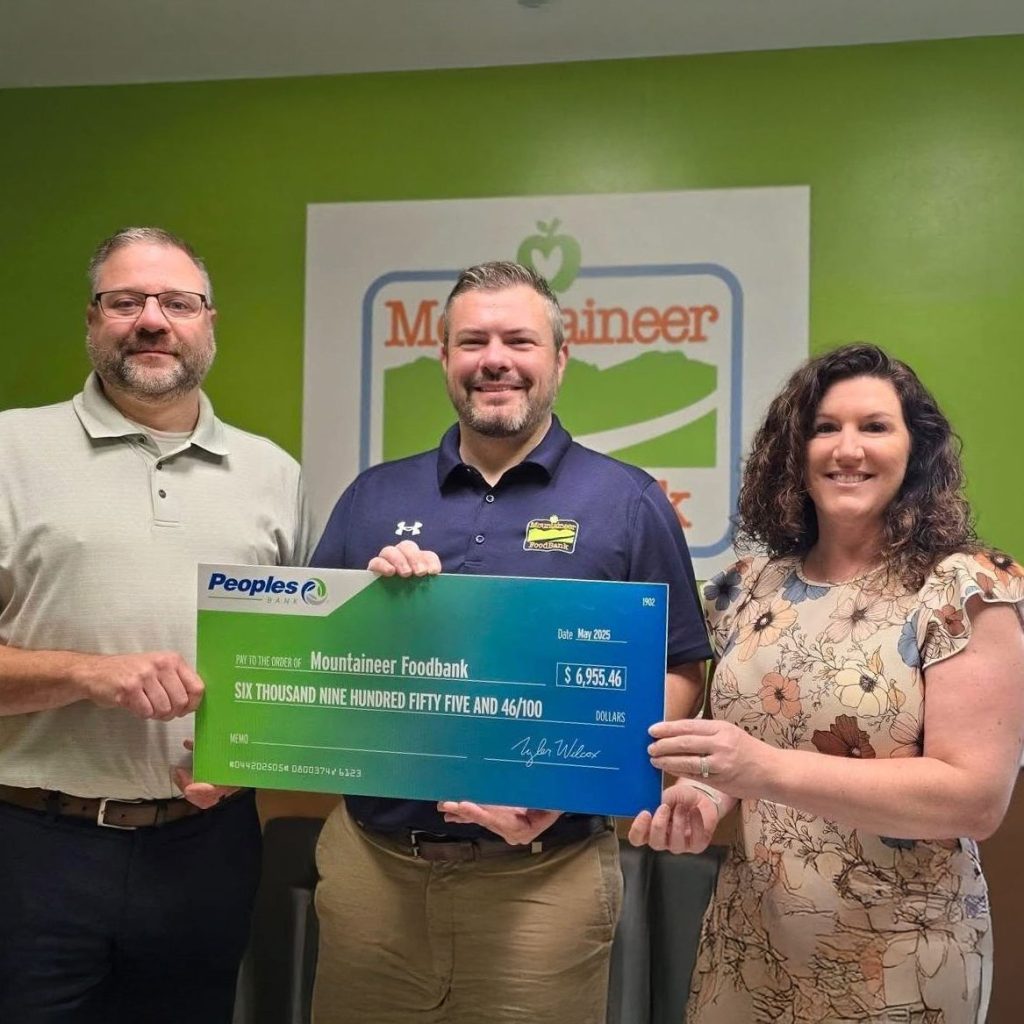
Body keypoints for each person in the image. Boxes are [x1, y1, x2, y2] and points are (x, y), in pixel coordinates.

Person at [310, 260, 711, 1024]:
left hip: (544, 885)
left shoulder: (627, 501)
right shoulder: (373, 497)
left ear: (560, 358)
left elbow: (680, 669)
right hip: (374, 873)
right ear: (444, 359)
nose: (494, 359)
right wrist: (369, 609)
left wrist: (570, 785)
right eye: (473, 342)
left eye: (519, 341)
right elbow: (314, 660)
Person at [629, 343, 1024, 1022]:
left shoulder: (965, 588)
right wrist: (703, 796)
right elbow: (740, 751)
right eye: (824, 428)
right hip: (748, 945)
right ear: (795, 451)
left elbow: (973, 800)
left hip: (901, 958)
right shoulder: (746, 586)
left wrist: (762, 770)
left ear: (914, 451)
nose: (848, 449)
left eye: (875, 427)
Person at [0, 227, 310, 1023]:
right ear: (91, 319)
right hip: (32, 845)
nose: (151, 320)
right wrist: (86, 673)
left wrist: (249, 756)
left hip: (206, 847)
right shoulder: (9, 450)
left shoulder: (273, 474)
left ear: (209, 323)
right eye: (125, 301)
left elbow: (292, 666)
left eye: (177, 302)